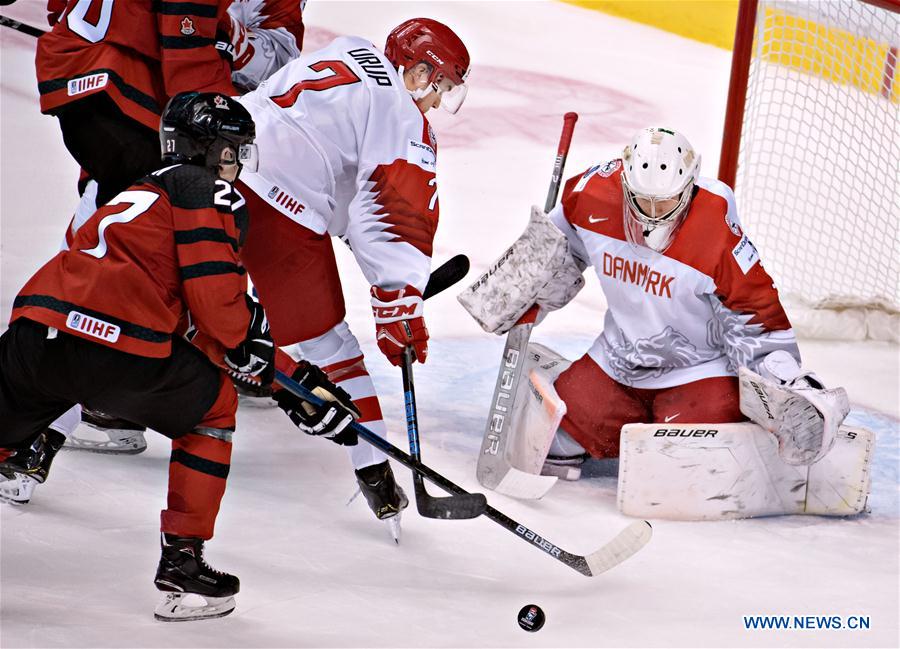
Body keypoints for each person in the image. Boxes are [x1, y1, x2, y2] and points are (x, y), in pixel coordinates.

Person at [0, 92, 359, 619]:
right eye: (233, 151)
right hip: (120, 344)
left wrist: (286, 378)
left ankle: (14, 461)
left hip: (37, 332)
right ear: (208, 150)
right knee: (212, 408)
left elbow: (182, 315)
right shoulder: (204, 190)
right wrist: (274, 369)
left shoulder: (135, 193)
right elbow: (217, 313)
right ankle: (183, 564)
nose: (237, 165)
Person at [34, 0, 307, 453]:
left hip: (96, 81)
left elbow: (277, 55)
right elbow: (189, 44)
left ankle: (68, 413)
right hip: (127, 87)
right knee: (138, 238)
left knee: (117, 228)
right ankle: (42, 429)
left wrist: (235, 46)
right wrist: (213, 140)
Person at [233, 18, 470, 531]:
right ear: (419, 72)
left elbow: (332, 167)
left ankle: (40, 436)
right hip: (278, 207)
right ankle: (377, 477)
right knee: (334, 350)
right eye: (441, 88)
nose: (436, 103)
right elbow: (393, 209)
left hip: (220, 167)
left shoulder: (348, 52)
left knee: (159, 302)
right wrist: (399, 303)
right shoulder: (403, 115)